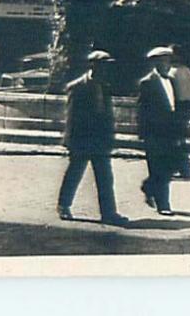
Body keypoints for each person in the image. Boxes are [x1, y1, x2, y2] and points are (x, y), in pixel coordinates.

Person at [57, 50, 127, 225]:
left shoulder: (105, 86)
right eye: (102, 65)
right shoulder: (78, 86)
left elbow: (107, 115)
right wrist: (70, 142)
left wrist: (111, 136)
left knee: (105, 178)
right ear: (92, 66)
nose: (105, 69)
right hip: (82, 140)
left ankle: (109, 213)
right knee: (74, 174)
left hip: (100, 140)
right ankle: (63, 205)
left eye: (107, 65)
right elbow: (71, 118)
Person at [138, 46, 182, 215]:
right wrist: (145, 135)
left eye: (168, 61)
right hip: (154, 133)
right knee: (159, 169)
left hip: (170, 133)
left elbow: (174, 107)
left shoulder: (171, 81)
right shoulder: (147, 83)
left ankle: (148, 188)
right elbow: (142, 110)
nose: (167, 65)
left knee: (169, 167)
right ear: (155, 63)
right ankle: (163, 205)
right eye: (163, 61)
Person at [169, 46, 190, 179]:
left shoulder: (172, 73)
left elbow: (171, 94)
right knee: (179, 138)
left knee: (174, 139)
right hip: (186, 106)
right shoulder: (188, 71)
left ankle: (183, 169)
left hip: (177, 107)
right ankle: (181, 168)